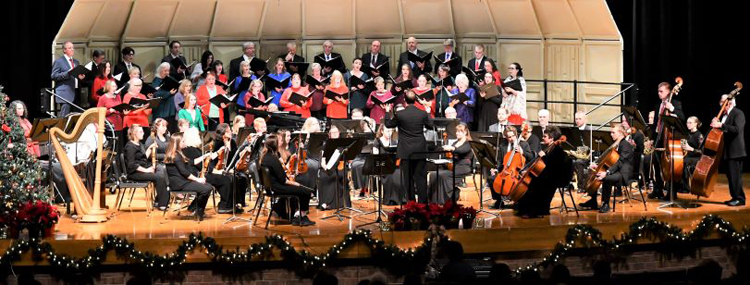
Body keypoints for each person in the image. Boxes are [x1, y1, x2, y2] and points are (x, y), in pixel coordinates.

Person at [384, 91, 433, 203]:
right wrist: (428, 112)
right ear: (415, 100)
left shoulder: (400, 114)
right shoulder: (422, 113)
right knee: (421, 178)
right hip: (420, 150)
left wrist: (387, 112)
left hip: (406, 151)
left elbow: (388, 124)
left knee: (408, 179)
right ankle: (423, 204)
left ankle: (411, 204)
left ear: (404, 101)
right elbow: (430, 126)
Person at [515, 126, 572, 218]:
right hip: (549, 175)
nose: (542, 138)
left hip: (556, 177)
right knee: (533, 180)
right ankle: (525, 209)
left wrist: (544, 157)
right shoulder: (548, 148)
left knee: (535, 182)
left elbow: (553, 167)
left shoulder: (557, 150)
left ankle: (536, 210)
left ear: (552, 138)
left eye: (545, 136)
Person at [260, 134, 315, 226]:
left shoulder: (266, 156)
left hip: (271, 187)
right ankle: (300, 217)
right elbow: (283, 180)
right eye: (279, 142)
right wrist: (296, 184)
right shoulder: (273, 159)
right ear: (276, 145)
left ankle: (288, 212)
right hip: (277, 188)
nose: (281, 144)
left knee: (302, 189)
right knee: (305, 191)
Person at [580, 124, 634, 213]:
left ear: (620, 133)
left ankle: (606, 204)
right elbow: (609, 160)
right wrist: (597, 165)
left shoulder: (625, 145)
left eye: (613, 133)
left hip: (624, 173)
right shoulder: (616, 144)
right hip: (616, 170)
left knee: (606, 178)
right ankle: (593, 201)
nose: (611, 135)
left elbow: (620, 163)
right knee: (595, 172)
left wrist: (607, 172)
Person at [647, 81, 685, 200]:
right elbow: (656, 125)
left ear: (669, 92)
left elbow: (682, 117)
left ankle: (671, 192)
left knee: (670, 166)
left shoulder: (676, 103)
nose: (659, 93)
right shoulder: (658, 105)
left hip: (669, 139)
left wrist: (672, 109)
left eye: (661, 91)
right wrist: (652, 139)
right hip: (659, 138)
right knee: (657, 165)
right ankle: (658, 189)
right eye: (658, 91)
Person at [163, 132, 212, 221]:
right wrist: (198, 180)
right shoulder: (176, 156)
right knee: (206, 189)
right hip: (179, 184)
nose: (185, 143)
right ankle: (198, 212)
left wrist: (204, 156)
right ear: (177, 143)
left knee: (208, 186)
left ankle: (197, 210)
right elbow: (184, 172)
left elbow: (191, 162)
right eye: (183, 141)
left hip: (183, 181)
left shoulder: (179, 154)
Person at [710, 94, 745, 206]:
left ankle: (740, 199)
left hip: (735, 151)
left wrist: (721, 124)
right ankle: (734, 197)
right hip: (726, 151)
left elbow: (737, 129)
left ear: (728, 103)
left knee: (735, 177)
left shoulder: (738, 113)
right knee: (730, 176)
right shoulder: (725, 115)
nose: (720, 104)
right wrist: (716, 125)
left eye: (722, 101)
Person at [488, 126, 534, 209]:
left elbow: (531, 157)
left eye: (513, 136)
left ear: (516, 134)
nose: (512, 138)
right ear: (505, 137)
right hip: (505, 171)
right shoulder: (503, 146)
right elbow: (500, 161)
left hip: (518, 172)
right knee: (491, 179)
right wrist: (496, 168)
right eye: (509, 137)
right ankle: (499, 201)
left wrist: (522, 152)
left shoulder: (523, 144)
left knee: (519, 182)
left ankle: (517, 201)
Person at [123, 125, 168, 209]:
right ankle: (162, 204)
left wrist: (150, 148)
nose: (143, 133)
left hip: (143, 169)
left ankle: (159, 200)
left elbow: (144, 158)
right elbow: (132, 165)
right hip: (135, 173)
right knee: (159, 177)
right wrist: (146, 170)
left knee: (163, 172)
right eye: (140, 132)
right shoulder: (130, 147)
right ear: (134, 133)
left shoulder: (139, 144)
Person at [428, 123, 473, 204]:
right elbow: (450, 155)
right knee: (433, 174)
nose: (457, 133)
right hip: (453, 166)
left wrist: (452, 148)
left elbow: (462, 151)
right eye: (457, 131)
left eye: (460, 131)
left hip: (463, 167)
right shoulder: (455, 142)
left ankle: (446, 199)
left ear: (465, 132)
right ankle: (433, 201)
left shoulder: (468, 143)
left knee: (442, 175)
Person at [210, 123, 247, 213]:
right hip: (218, 169)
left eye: (229, 130)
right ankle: (226, 204)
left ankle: (238, 202)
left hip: (230, 168)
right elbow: (216, 161)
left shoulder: (233, 142)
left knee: (243, 178)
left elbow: (235, 157)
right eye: (227, 131)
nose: (230, 132)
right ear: (222, 133)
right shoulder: (217, 144)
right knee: (231, 179)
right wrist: (226, 147)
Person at [317, 125, 350, 210]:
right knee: (327, 176)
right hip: (327, 167)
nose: (335, 134)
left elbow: (348, 160)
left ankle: (340, 203)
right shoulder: (326, 144)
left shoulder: (343, 145)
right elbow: (322, 159)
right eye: (333, 133)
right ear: (329, 134)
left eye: (336, 132)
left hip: (340, 167)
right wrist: (325, 167)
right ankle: (325, 202)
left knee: (339, 175)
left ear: (339, 134)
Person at [51, 41, 85, 117]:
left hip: (76, 91)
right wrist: (67, 73)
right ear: (64, 50)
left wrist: (79, 77)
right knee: (64, 116)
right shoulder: (59, 62)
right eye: (70, 48)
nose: (72, 49)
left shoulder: (76, 62)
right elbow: (54, 76)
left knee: (76, 116)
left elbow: (75, 75)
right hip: (65, 93)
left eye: (73, 48)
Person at [96, 81, 125, 150]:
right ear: (108, 87)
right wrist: (110, 111)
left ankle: (119, 160)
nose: (115, 88)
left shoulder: (118, 97)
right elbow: (99, 112)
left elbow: (120, 109)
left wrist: (123, 112)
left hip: (119, 124)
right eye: (113, 86)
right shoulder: (103, 98)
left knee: (119, 147)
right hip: (109, 125)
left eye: (115, 86)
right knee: (111, 147)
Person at [152, 62, 178, 129]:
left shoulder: (170, 79)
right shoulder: (156, 81)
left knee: (170, 129)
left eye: (168, 70)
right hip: (161, 110)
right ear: (160, 71)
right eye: (165, 71)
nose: (167, 72)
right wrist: (169, 93)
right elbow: (156, 94)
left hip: (171, 110)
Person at [681, 116, 704, 193]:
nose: (688, 124)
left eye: (690, 123)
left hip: (696, 158)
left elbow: (702, 152)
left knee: (683, 162)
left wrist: (691, 149)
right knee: (676, 161)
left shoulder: (699, 136)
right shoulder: (686, 134)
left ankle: (685, 188)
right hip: (687, 156)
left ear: (696, 124)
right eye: (687, 122)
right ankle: (677, 186)